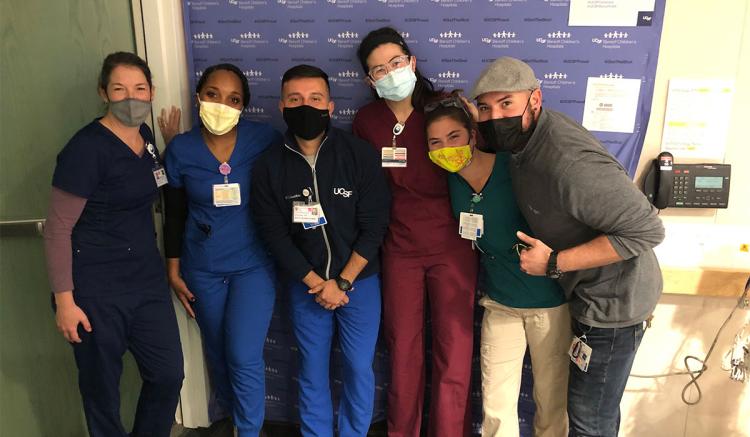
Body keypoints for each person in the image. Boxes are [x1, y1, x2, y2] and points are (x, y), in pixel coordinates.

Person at [469, 57, 665, 437]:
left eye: (507, 104)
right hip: (587, 296)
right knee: (587, 414)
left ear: (535, 100)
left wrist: (556, 261)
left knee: (589, 420)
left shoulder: (566, 160)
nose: (495, 117)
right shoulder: (528, 141)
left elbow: (645, 230)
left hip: (615, 304)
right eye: (485, 107)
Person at [43, 51, 184, 437]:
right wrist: (65, 302)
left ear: (152, 91)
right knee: (101, 392)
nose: (131, 98)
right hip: (94, 290)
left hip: (146, 282)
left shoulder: (145, 138)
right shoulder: (85, 149)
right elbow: (57, 229)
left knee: (169, 375)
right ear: (103, 93)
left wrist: (173, 147)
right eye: (120, 89)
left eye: (139, 88)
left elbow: (152, 183)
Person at [250, 64, 391, 437]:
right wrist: (316, 282)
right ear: (281, 106)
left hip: (360, 281)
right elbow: (274, 235)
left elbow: (375, 226)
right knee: (312, 367)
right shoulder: (269, 165)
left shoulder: (358, 154)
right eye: (295, 99)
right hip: (305, 284)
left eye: (314, 99)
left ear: (330, 106)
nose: (305, 106)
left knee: (359, 367)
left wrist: (341, 283)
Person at [352, 27, 478, 437]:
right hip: (399, 248)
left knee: (453, 350)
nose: (389, 73)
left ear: (411, 62)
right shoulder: (367, 121)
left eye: (395, 62)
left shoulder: (443, 110)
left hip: (452, 244)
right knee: (404, 350)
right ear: (370, 81)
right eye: (378, 70)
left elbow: (478, 167)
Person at [424, 92, 570, 437]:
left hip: (549, 304)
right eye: (435, 142)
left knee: (551, 403)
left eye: (454, 137)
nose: (446, 148)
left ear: (473, 135)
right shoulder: (451, 179)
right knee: (496, 406)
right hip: (500, 303)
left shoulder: (513, 166)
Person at [162, 63, 281, 437]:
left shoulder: (264, 139)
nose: (221, 104)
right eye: (213, 94)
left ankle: (248, 431)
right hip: (203, 268)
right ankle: (234, 420)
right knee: (218, 353)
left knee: (244, 356)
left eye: (233, 99)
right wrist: (173, 268)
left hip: (253, 266)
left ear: (244, 106)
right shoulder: (180, 149)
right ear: (199, 97)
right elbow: (175, 212)